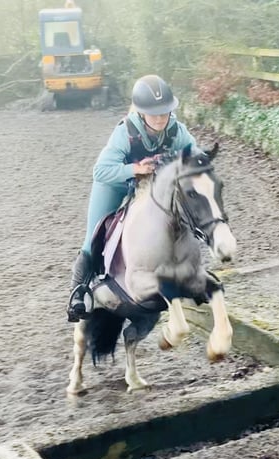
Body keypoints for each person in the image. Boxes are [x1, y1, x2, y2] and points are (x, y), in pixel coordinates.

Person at [67, 74, 198, 321]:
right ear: (141, 113)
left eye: (165, 112)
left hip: (151, 188)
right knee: (93, 236)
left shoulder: (176, 130)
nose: (161, 118)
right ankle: (79, 293)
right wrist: (135, 169)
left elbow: (197, 155)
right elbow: (100, 170)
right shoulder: (125, 132)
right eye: (154, 113)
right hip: (115, 184)